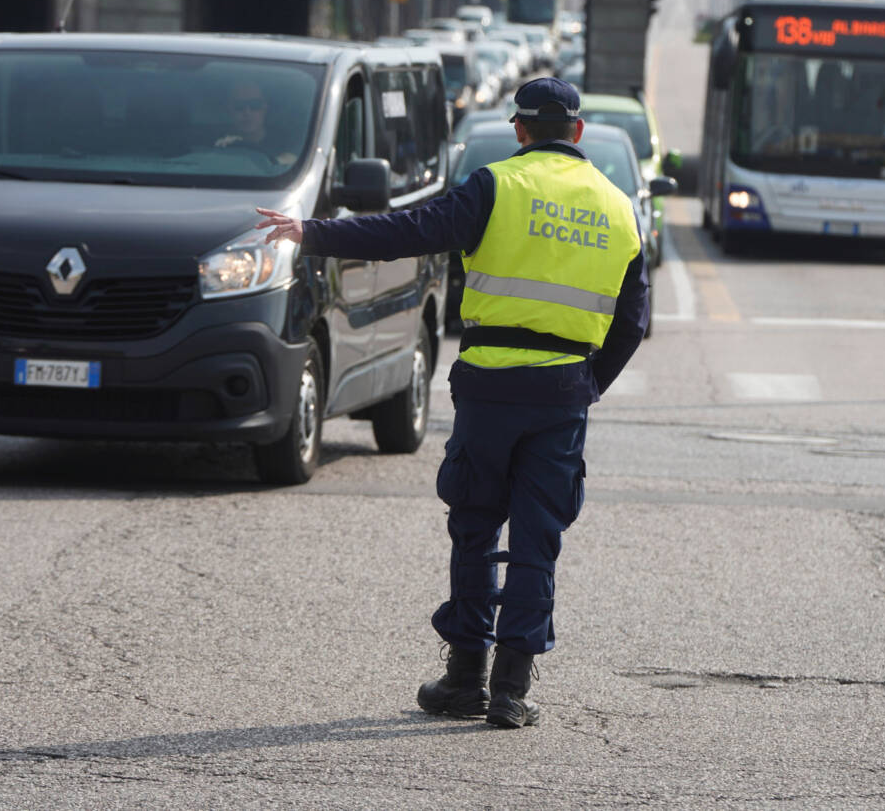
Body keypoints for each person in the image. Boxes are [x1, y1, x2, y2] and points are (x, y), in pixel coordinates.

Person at [256, 77, 648, 730]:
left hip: (489, 386)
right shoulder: (617, 207)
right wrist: (588, 384)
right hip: (561, 391)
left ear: (520, 129)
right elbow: (632, 323)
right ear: (577, 132)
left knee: (475, 528)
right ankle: (512, 690)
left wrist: (312, 233)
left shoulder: (496, 185)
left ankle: (465, 678)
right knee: (538, 540)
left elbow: (409, 231)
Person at [215, 80, 296, 165]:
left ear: (265, 107)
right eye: (239, 106)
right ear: (229, 110)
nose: (247, 112)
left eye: (255, 105)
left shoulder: (286, 141)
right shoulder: (218, 141)